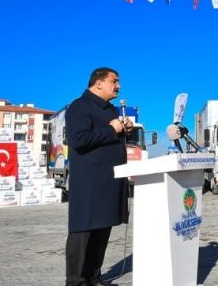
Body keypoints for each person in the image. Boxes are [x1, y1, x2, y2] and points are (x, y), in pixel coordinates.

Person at [65, 68, 132, 286]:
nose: (118, 86)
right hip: (89, 183)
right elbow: (79, 140)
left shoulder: (111, 110)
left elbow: (108, 138)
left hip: (110, 181)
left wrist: (124, 130)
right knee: (83, 232)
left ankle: (93, 277)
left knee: (102, 231)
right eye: (115, 81)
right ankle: (75, 281)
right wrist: (112, 129)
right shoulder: (79, 107)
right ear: (98, 83)